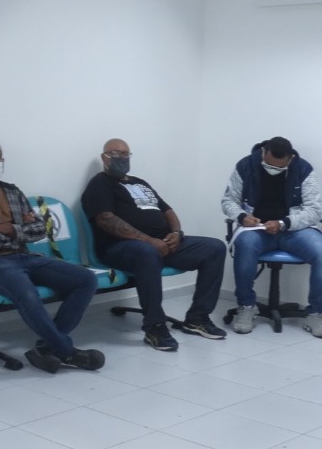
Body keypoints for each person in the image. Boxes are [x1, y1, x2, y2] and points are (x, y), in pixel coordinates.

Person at [0, 137, 104, 373]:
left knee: (86, 280)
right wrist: (21, 230)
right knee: (26, 292)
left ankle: (47, 347)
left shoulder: (13, 191)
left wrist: (9, 228)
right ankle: (65, 351)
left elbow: (39, 229)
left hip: (25, 256)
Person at [82, 138, 228, 351]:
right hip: (120, 247)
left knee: (214, 248)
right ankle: (155, 327)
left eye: (125, 153)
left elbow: (167, 211)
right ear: (104, 157)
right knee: (146, 252)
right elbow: (106, 220)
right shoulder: (100, 183)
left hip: (160, 243)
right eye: (115, 153)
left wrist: (176, 234)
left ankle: (198, 319)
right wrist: (149, 241)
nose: (121, 158)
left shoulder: (139, 182)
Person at [222, 136, 322, 338]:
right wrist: (241, 216)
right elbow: (228, 201)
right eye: (269, 164)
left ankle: (316, 313)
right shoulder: (246, 165)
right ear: (263, 152)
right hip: (256, 229)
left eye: (280, 167)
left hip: (294, 229)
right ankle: (246, 306)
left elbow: (313, 210)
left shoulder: (303, 169)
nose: (274, 169)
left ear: (290, 158)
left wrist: (284, 223)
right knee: (245, 245)